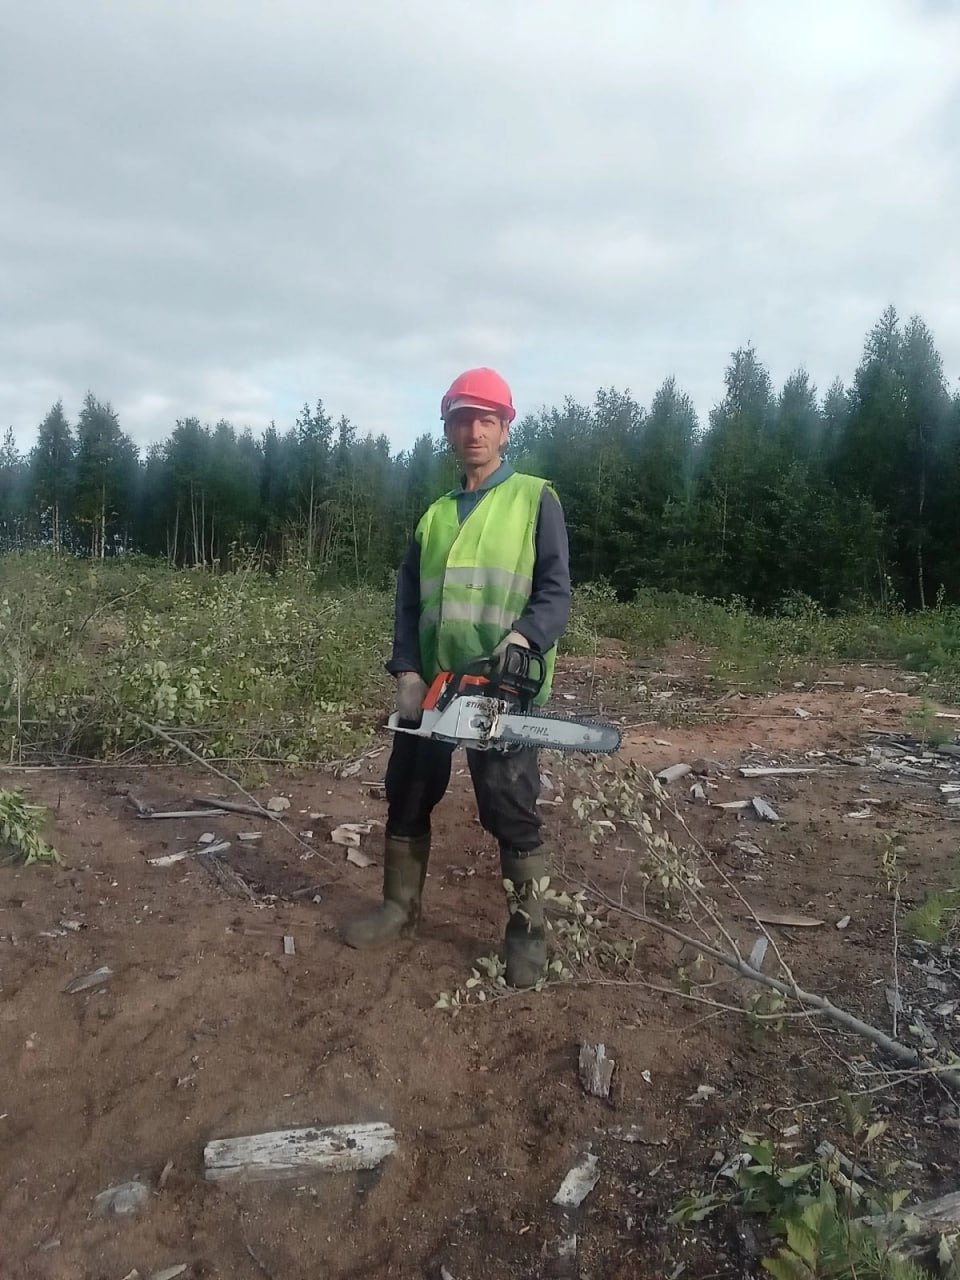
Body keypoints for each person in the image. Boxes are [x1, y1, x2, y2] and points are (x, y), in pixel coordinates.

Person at [342, 367, 571, 988]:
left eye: (486, 420)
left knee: (510, 808)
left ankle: (527, 934)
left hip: (502, 688)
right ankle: (399, 909)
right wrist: (406, 671)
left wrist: (524, 638)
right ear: (448, 429)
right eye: (463, 420)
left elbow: (555, 591)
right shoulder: (435, 516)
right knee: (408, 793)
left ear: (505, 429)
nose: (474, 432)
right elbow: (408, 604)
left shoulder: (535, 499)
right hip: (435, 685)